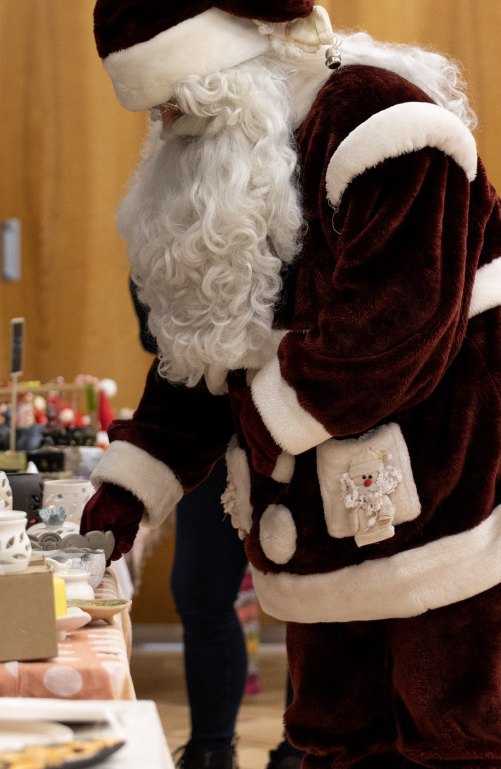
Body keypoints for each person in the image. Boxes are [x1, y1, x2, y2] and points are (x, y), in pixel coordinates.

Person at [82, 0, 501, 768]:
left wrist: (255, 419)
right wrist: (130, 496)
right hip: (327, 513)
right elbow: (202, 356)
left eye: (174, 100)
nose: (163, 124)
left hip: (454, 480)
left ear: (227, 72)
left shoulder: (383, 125)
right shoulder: (226, 164)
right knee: (333, 736)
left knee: (453, 734)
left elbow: (390, 336)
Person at [132, 284, 303, 769]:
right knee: (199, 593)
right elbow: (153, 334)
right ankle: (210, 750)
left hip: (303, 424)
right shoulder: (176, 214)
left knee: (311, 599)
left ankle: (304, 750)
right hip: (210, 420)